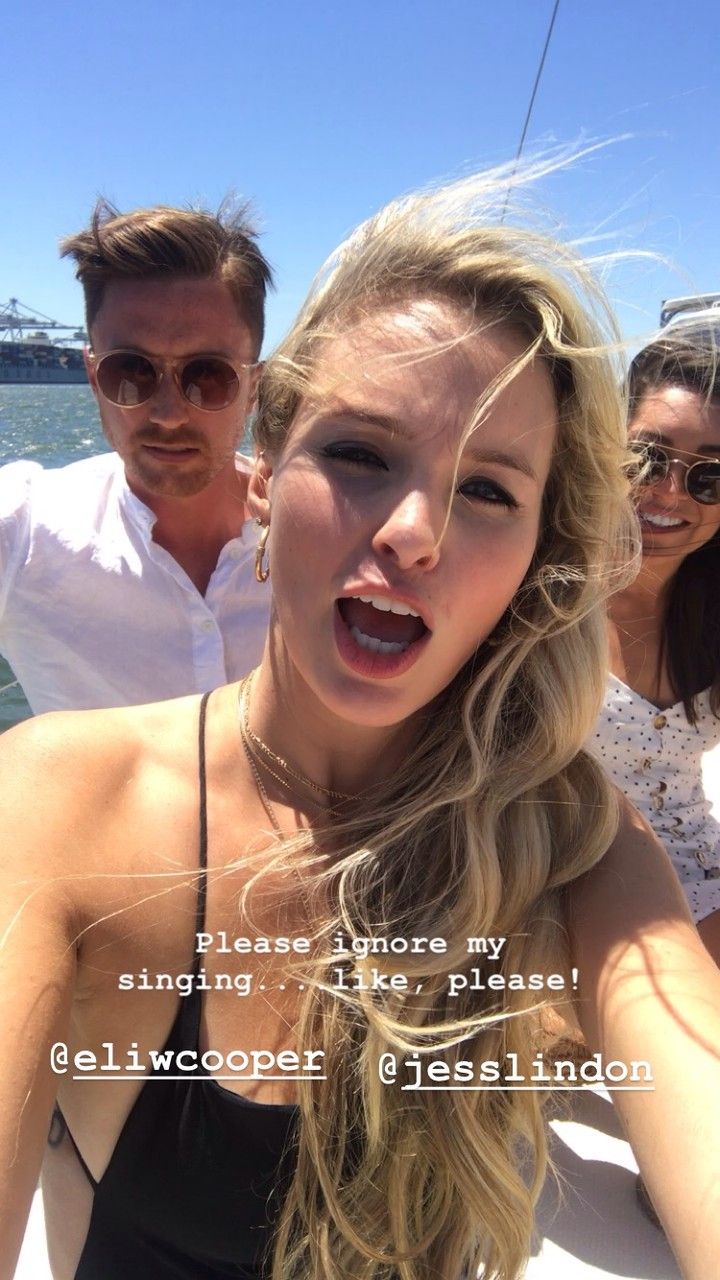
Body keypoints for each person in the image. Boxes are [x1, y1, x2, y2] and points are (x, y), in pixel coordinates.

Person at [3, 169, 720, 1280]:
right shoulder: (57, 802)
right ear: (263, 482)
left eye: (488, 489)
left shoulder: (575, 842)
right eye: (358, 453)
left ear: (534, 556)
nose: (414, 531)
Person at [0, 200, 273, 715]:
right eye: (130, 372)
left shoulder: (319, 539)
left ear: (254, 386)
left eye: (208, 376)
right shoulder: (24, 531)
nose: (168, 415)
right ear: (92, 376)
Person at [589, 329, 720, 960]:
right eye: (648, 457)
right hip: (573, 877)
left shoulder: (711, 610)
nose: (670, 492)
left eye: (710, 477)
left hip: (701, 872)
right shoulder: (538, 595)